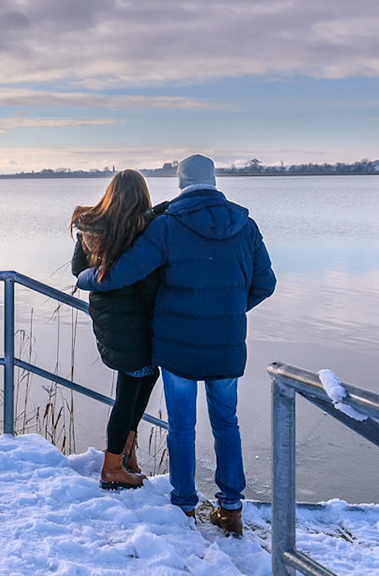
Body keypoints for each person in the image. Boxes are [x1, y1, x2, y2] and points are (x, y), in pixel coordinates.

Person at [76, 154, 274, 536]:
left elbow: (121, 274)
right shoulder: (246, 225)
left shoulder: (168, 226)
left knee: (182, 426)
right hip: (227, 344)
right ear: (214, 181)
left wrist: (85, 278)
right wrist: (229, 311)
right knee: (226, 424)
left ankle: (184, 504)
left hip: (177, 346)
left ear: (181, 183)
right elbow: (266, 283)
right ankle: (231, 509)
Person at [70, 170, 167, 490]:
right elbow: (147, 284)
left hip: (108, 320)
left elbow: (77, 270)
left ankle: (125, 453)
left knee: (143, 379)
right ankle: (113, 465)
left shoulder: (93, 227)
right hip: (134, 323)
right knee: (129, 392)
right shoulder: (139, 232)